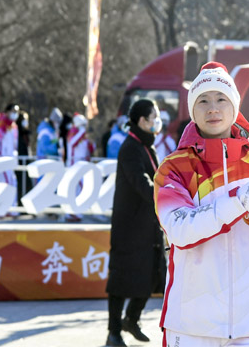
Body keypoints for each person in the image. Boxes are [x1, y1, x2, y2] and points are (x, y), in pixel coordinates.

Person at [155, 62, 249, 347]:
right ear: (192, 110)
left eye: (221, 99)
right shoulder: (174, 168)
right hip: (191, 328)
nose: (213, 108)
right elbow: (179, 230)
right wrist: (239, 200)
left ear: (234, 105)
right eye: (203, 100)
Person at [105, 99, 166, 347]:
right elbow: (142, 182)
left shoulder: (147, 147)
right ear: (142, 121)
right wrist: (164, 195)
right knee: (121, 281)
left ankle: (131, 319)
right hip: (129, 228)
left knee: (152, 275)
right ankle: (113, 332)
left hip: (148, 226)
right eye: (155, 116)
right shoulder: (130, 148)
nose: (158, 121)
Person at [64, 113, 95, 223]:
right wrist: (82, 132)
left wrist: (91, 142)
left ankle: (77, 212)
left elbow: (89, 149)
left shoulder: (83, 135)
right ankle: (70, 213)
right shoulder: (73, 132)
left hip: (82, 165)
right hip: (73, 164)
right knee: (73, 189)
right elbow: (72, 143)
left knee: (80, 189)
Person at [0, 104, 19, 218]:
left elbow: (14, 144)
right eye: (12, 111)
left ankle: (6, 208)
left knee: (9, 182)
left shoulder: (13, 126)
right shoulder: (1, 125)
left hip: (10, 160)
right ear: (6, 112)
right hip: (3, 160)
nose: (15, 113)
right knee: (7, 183)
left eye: (16, 111)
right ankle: (6, 209)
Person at [16, 110, 33, 206]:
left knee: (28, 184)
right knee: (21, 184)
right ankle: (20, 205)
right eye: (24, 120)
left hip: (26, 162)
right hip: (20, 162)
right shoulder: (17, 133)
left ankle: (27, 206)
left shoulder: (26, 133)